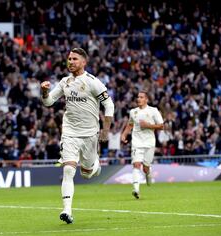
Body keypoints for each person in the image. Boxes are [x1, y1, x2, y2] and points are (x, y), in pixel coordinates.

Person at [40, 48, 114, 224]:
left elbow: (109, 105)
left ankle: (94, 166)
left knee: (87, 173)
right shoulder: (65, 82)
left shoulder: (93, 82)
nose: (70, 61)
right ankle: (67, 210)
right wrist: (44, 92)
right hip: (70, 133)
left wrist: (105, 130)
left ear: (83, 62)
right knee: (68, 170)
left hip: (90, 134)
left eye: (74, 59)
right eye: (69, 59)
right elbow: (49, 102)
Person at [121, 91, 164, 199]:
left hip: (149, 143)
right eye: (138, 97)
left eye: (141, 97)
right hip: (136, 143)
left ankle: (148, 172)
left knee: (145, 168)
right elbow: (130, 124)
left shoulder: (153, 111)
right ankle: (136, 189)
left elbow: (161, 126)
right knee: (136, 164)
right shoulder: (133, 112)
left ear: (146, 99)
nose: (138, 99)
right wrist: (124, 134)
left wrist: (148, 125)